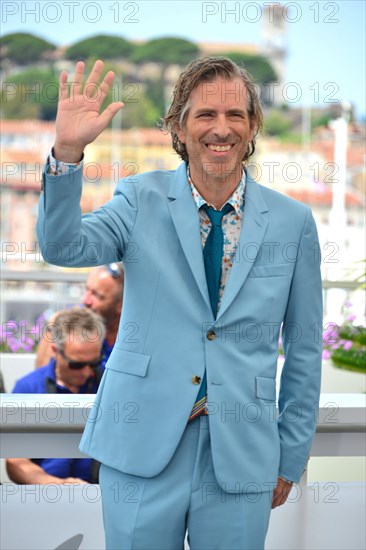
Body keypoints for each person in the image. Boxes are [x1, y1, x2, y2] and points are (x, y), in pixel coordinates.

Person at [36, 57, 323, 549]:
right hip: (140, 446)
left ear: (253, 125)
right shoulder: (137, 198)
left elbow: (304, 347)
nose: (221, 129)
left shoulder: (293, 222)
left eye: (236, 115)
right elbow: (63, 248)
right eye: (205, 114)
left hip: (244, 455)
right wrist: (67, 152)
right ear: (178, 126)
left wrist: (290, 457)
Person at [6, 307, 105, 485]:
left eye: (94, 363)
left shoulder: (108, 386)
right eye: (76, 364)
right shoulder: (29, 387)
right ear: (55, 350)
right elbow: (15, 461)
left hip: (102, 495)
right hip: (44, 495)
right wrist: (58, 486)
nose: (86, 372)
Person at [35, 263, 124, 368]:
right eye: (87, 290)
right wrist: (52, 329)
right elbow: (42, 377)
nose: (85, 300)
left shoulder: (136, 335)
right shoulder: (66, 322)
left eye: (97, 295)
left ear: (121, 305)